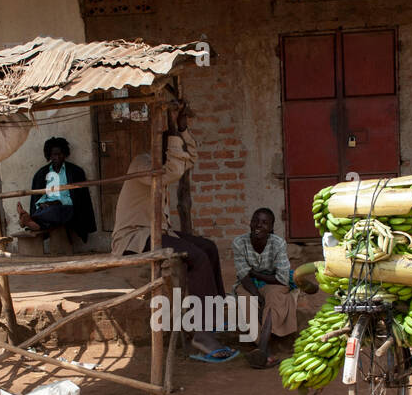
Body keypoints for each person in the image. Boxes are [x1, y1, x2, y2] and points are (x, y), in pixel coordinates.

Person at [110, 102, 236, 361]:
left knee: (209, 247)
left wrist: (182, 130)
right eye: (173, 141)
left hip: (156, 231)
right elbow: (175, 170)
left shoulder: (162, 163)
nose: (176, 146)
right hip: (136, 236)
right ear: (166, 144)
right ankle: (201, 332)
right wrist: (176, 136)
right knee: (197, 258)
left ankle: (212, 317)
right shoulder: (142, 163)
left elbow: (188, 159)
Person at [234, 207, 299, 368]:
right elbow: (244, 275)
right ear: (250, 223)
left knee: (275, 298)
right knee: (246, 300)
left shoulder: (278, 243)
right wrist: (256, 294)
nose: (258, 225)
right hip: (249, 283)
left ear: (271, 228)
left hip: (274, 282)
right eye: (255, 220)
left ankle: (261, 349)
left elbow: (282, 278)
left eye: (264, 223)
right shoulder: (239, 243)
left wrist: (255, 273)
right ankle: (266, 351)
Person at [17, 137, 97, 242]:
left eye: (60, 154)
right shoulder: (42, 173)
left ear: (65, 154)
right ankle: (34, 223)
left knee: (55, 210)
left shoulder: (75, 172)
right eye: (54, 154)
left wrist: (57, 202)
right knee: (48, 211)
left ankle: (29, 220)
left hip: (67, 208)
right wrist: (42, 203)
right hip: (46, 209)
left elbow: (79, 199)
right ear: (49, 155)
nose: (58, 157)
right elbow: (39, 196)